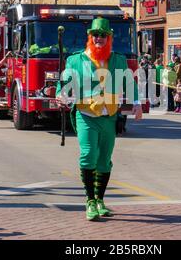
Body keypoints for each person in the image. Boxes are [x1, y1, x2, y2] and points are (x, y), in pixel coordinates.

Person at [56, 18, 143, 221]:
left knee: (104, 161)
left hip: (110, 116)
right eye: (95, 34)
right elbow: (64, 84)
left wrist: (137, 104)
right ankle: (89, 201)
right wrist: (61, 95)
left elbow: (129, 83)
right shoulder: (75, 60)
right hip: (86, 115)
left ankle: (99, 200)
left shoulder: (118, 60)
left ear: (109, 38)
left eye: (103, 35)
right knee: (88, 155)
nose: (99, 38)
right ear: (90, 37)